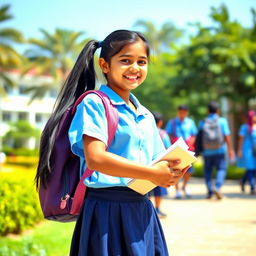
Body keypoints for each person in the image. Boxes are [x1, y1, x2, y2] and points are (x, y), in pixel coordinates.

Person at [36, 30, 190, 255]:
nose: (135, 68)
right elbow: (95, 158)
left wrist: (172, 172)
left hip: (142, 210)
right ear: (105, 65)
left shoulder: (145, 115)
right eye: (125, 60)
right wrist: (151, 172)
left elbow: (157, 162)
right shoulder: (95, 103)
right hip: (106, 210)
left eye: (142, 61)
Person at [199, 101, 234, 200]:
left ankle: (210, 191)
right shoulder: (222, 121)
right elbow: (227, 136)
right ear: (218, 111)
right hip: (220, 150)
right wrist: (231, 149)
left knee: (207, 171)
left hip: (207, 151)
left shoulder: (203, 122)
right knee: (221, 169)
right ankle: (217, 187)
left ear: (208, 111)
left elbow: (199, 137)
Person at [165, 104, 197, 199]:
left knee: (188, 170)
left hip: (188, 149)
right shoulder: (172, 122)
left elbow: (194, 134)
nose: (182, 114)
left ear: (186, 113)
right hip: (177, 149)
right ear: (178, 112)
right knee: (176, 169)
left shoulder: (190, 122)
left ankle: (184, 186)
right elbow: (168, 134)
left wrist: (191, 142)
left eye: (184, 112)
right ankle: (177, 190)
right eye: (180, 112)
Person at [149, 112, 172, 218]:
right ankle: (157, 209)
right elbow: (168, 147)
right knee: (159, 190)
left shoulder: (146, 131)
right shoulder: (163, 133)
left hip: (147, 166)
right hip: (160, 166)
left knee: (147, 189)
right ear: (161, 122)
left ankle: (149, 209)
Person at [237, 110, 256, 195]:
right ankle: (252, 187)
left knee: (253, 168)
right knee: (250, 168)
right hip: (247, 150)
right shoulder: (244, 127)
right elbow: (240, 140)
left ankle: (243, 181)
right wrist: (239, 150)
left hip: (255, 151)